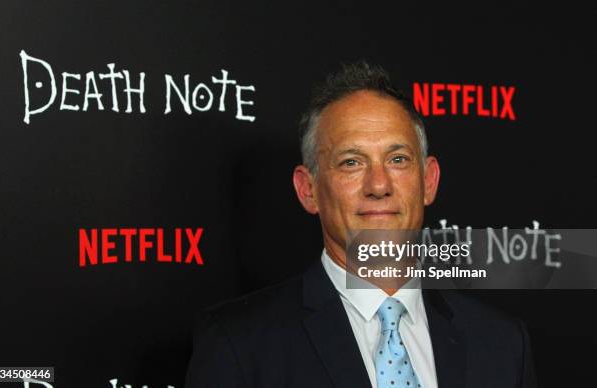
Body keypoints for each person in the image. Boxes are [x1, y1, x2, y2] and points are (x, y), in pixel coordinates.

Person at [185, 61, 537, 388]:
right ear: (308, 190)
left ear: (429, 181)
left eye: (397, 159)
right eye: (352, 162)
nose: (379, 185)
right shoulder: (238, 346)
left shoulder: (502, 344)